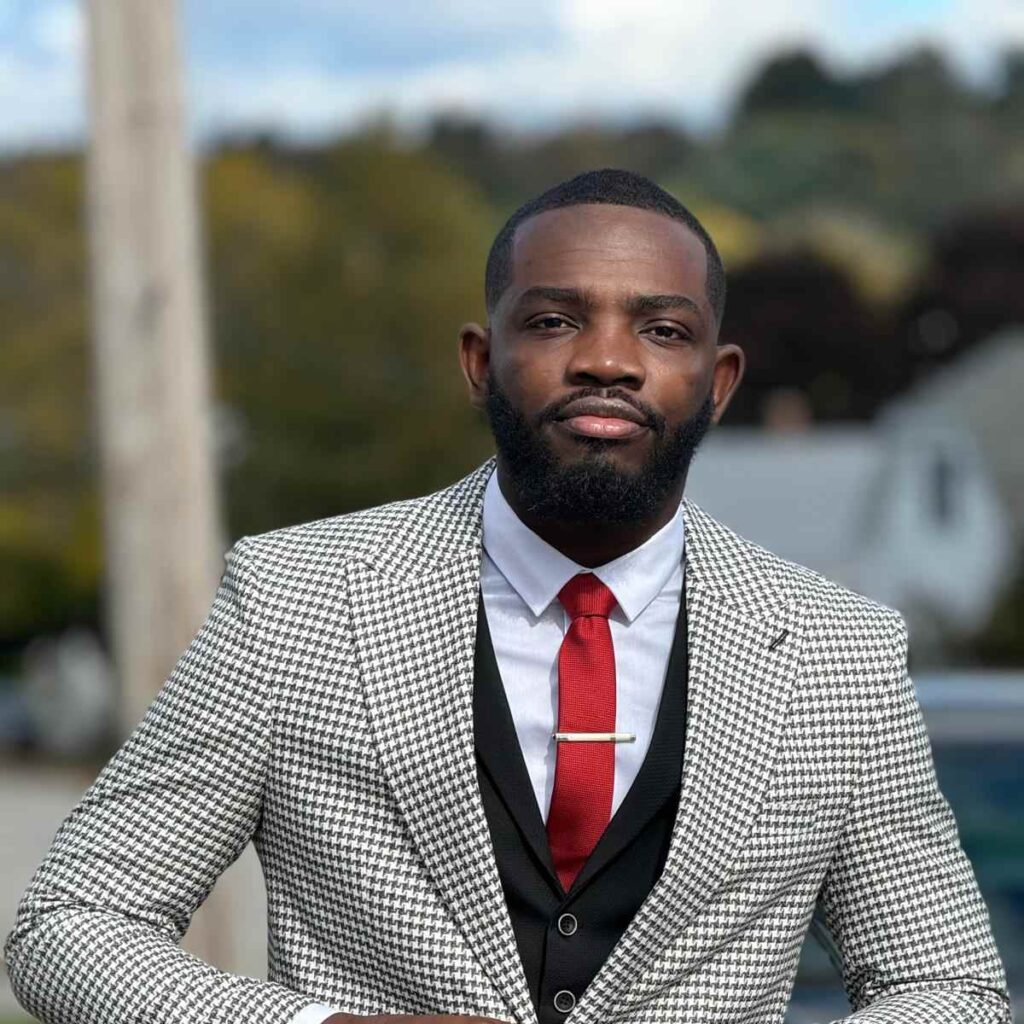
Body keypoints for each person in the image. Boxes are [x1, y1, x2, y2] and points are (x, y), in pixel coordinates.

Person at [4, 170, 1010, 1024]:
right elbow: (70, 924)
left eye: (662, 329)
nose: (607, 360)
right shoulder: (294, 599)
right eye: (554, 320)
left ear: (717, 383)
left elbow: (948, 985)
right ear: (481, 364)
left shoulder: (839, 651)